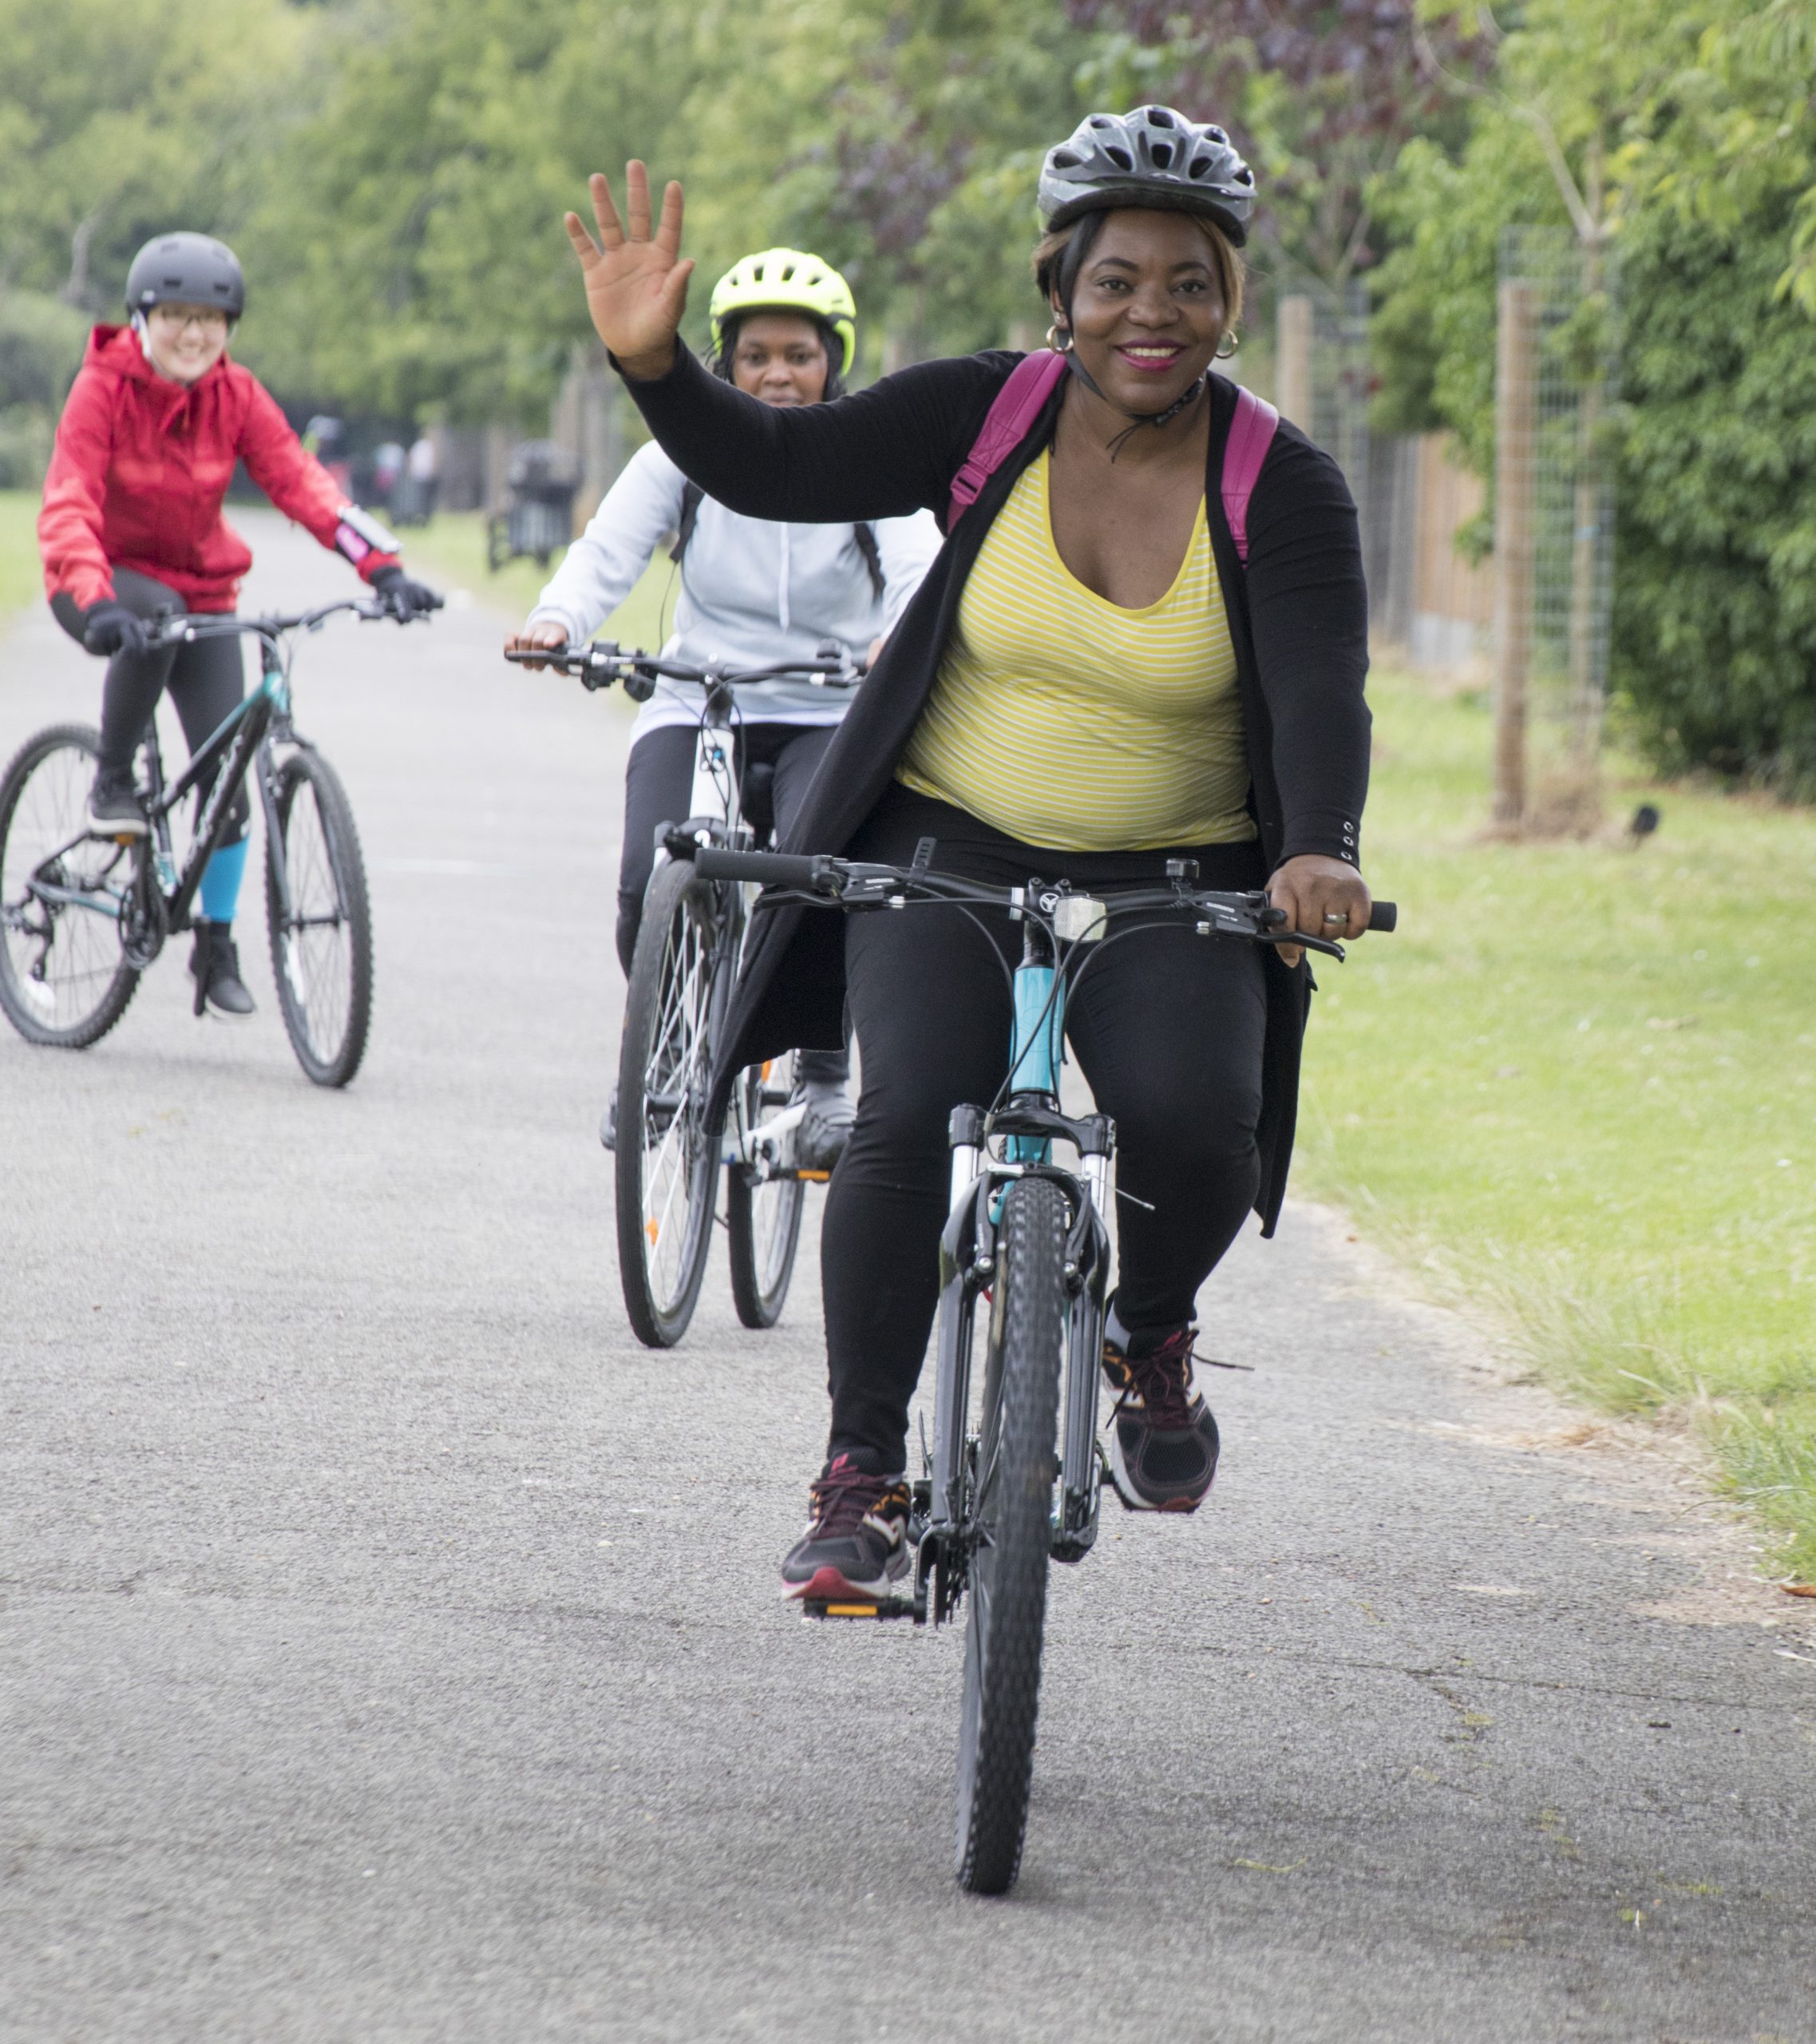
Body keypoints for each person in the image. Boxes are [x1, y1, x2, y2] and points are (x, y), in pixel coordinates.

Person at [564, 111, 1373, 1601]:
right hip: (946, 838)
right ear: (1060, 288)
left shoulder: (1283, 482)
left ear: (1231, 302)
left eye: (1190, 284)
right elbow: (781, 464)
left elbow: (1323, 683)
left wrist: (1317, 849)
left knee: (1196, 1122)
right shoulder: (984, 416)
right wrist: (656, 368)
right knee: (900, 1120)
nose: (1153, 314)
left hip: (1177, 869)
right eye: (1118, 280)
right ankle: (862, 1471)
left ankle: (1150, 1332)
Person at [506, 248, 939, 1168]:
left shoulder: (873, 461)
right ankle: (659, 1054)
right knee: (646, 875)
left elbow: (921, 574)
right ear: (724, 366)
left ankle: (822, 1079)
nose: (777, 373)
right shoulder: (681, 456)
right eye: (754, 357)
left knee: (822, 872)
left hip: (829, 705)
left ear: (834, 362)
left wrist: (895, 637)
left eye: (798, 353)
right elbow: (604, 551)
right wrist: (557, 619)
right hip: (699, 699)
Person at [38, 232, 440, 1020]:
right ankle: (112, 779)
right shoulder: (103, 388)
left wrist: (382, 567)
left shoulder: (237, 395)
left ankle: (214, 946)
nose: (195, 335)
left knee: (229, 788)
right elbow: (69, 505)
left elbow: (303, 482)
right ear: (141, 318)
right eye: (178, 317)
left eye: (212, 320)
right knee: (155, 615)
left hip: (203, 592)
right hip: (101, 580)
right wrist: (93, 601)